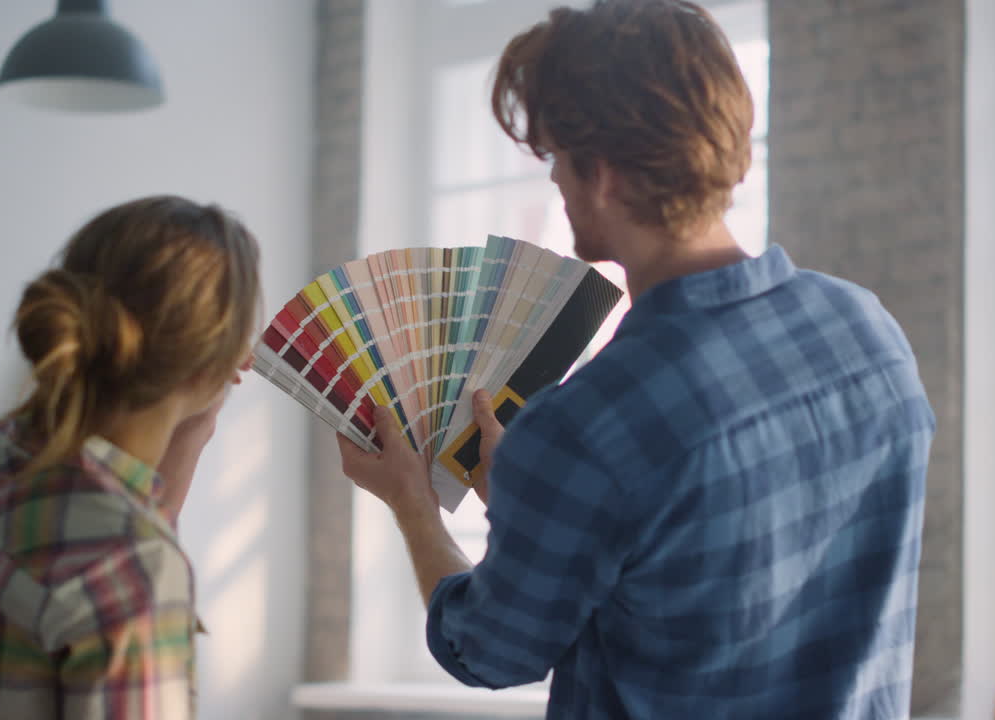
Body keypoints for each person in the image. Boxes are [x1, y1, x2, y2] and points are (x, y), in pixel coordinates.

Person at [337, 0, 935, 718]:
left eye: (556, 155)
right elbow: (696, 578)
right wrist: (551, 510)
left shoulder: (587, 426)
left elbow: (488, 651)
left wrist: (413, 505)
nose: (553, 181)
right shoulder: (867, 331)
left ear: (606, 176)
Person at [0, 196, 261, 720]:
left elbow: (119, 515)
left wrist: (196, 428)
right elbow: (127, 554)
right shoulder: (133, 569)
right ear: (204, 368)